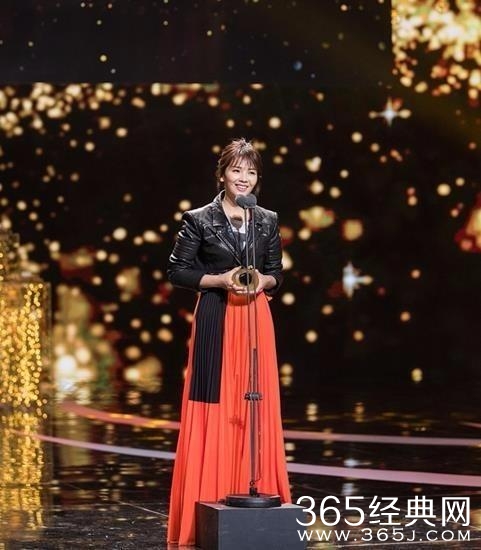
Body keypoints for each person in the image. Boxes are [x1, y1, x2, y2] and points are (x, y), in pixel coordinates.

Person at [167, 138, 291, 546]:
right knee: (216, 402)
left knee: (255, 403)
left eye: (251, 172)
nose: (243, 178)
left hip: (255, 317)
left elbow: (276, 273)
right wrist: (220, 280)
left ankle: (255, 483)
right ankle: (208, 496)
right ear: (222, 174)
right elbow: (178, 271)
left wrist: (263, 281)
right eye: (236, 170)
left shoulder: (267, 220)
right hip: (217, 316)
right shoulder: (199, 219)